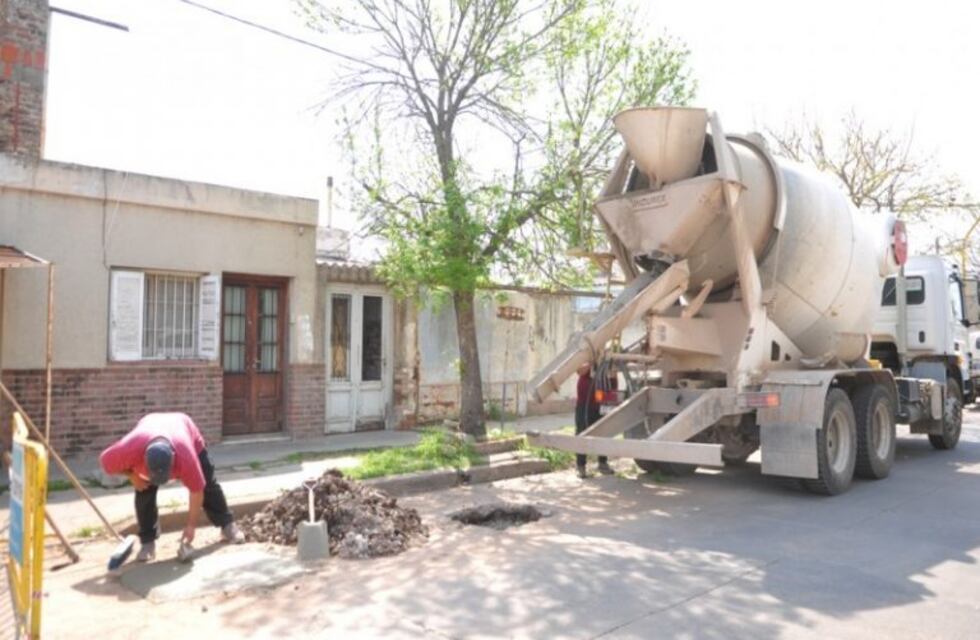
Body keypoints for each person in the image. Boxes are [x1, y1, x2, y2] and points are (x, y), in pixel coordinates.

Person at [100, 412, 244, 561]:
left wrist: (191, 526)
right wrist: (132, 476)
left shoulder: (186, 457)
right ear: (144, 459)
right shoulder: (129, 450)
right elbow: (105, 462)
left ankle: (227, 525)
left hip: (184, 428)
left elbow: (197, 491)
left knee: (208, 484)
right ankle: (148, 542)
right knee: (144, 491)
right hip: (149, 427)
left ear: (174, 458)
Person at [575, 362, 615, 478]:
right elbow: (579, 370)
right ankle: (581, 466)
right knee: (582, 433)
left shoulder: (608, 359)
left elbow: (613, 376)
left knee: (603, 433)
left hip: (602, 402)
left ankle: (603, 463)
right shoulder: (586, 357)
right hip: (585, 404)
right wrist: (592, 363)